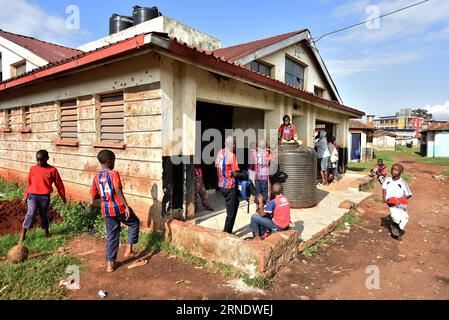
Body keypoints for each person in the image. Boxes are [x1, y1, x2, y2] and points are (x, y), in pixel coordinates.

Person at [91, 150, 141, 272]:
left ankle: (110, 265)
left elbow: (94, 196)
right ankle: (129, 250)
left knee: (111, 235)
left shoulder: (96, 177)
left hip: (106, 210)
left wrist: (104, 198)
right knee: (134, 222)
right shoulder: (113, 174)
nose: (114, 163)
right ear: (108, 161)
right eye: (114, 161)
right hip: (118, 207)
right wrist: (126, 206)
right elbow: (118, 189)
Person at [19, 150, 66, 244]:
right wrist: (25, 195)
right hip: (33, 196)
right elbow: (29, 183)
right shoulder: (33, 168)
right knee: (31, 213)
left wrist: (62, 196)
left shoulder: (52, 170)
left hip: (45, 197)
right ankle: (22, 236)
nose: (40, 162)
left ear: (47, 158)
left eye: (42, 160)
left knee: (43, 214)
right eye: (38, 160)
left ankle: (46, 232)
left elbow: (59, 184)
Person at [215, 136, 246, 234]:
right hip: (229, 187)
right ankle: (226, 233)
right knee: (231, 212)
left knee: (235, 203)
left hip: (221, 185)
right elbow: (235, 173)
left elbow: (216, 164)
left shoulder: (220, 152)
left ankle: (228, 228)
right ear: (233, 145)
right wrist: (244, 175)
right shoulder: (232, 156)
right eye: (235, 143)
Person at [382, 163, 412, 241]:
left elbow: (409, 194)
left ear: (400, 172)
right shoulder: (388, 180)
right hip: (391, 202)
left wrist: (400, 200)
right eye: (392, 169)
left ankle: (397, 227)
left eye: (396, 170)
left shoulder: (402, 183)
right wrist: (384, 197)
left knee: (405, 218)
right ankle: (396, 230)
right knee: (395, 216)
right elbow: (384, 188)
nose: (394, 171)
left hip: (401, 202)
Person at [253, 138, 276, 206]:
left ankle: (257, 207)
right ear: (265, 147)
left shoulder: (255, 154)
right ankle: (261, 208)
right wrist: (270, 150)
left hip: (257, 177)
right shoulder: (267, 155)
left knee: (258, 192)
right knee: (264, 193)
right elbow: (275, 157)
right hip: (264, 178)